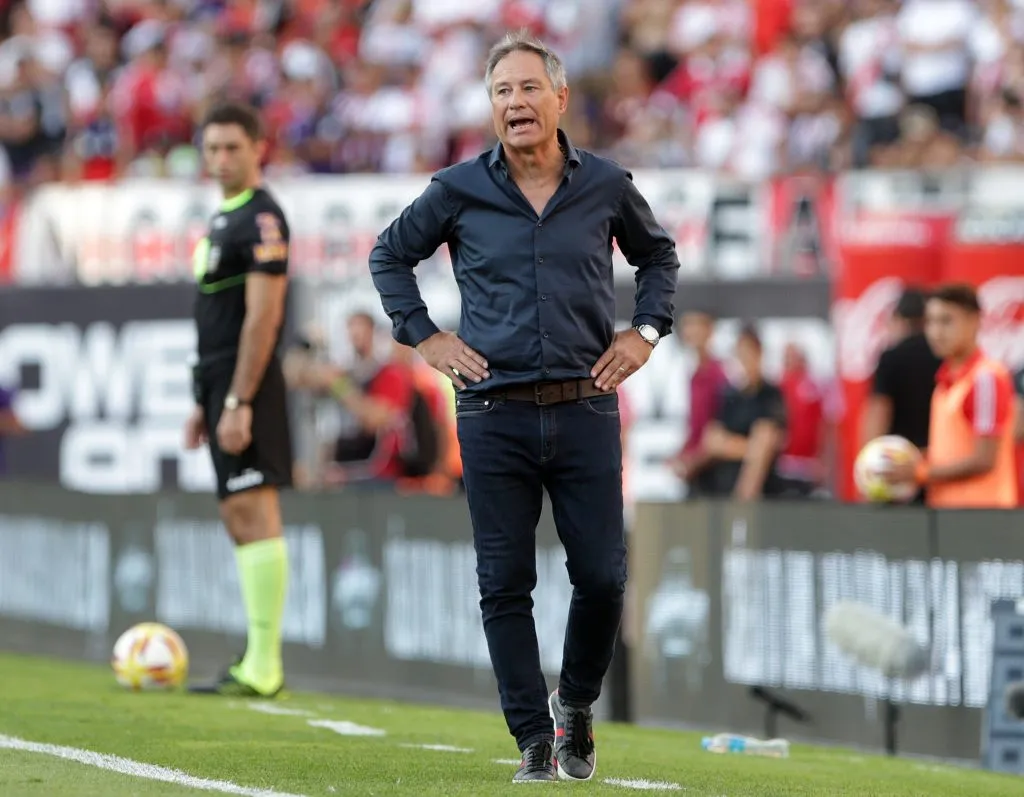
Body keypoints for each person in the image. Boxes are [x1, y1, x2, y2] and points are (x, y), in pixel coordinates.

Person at [368, 30, 680, 783]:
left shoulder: (605, 183)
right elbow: (388, 254)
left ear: (561, 97)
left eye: (528, 88)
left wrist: (644, 331)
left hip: (585, 405)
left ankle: (575, 703)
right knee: (504, 582)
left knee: (603, 575)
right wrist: (426, 337)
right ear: (490, 106)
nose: (515, 103)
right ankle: (534, 739)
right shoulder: (456, 188)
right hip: (490, 412)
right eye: (501, 91)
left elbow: (658, 256)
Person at [183, 101, 293, 698]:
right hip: (221, 383)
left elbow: (262, 316)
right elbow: (217, 319)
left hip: (246, 385)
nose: (222, 159)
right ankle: (256, 656)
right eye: (213, 148)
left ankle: (265, 663)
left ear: (258, 149)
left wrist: (238, 400)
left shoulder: (262, 218)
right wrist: (207, 400)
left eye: (233, 148)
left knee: (254, 508)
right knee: (236, 511)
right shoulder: (224, 217)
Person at [887, 284, 1017, 508]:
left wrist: (918, 472)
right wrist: (909, 460)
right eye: (930, 321)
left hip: (983, 517)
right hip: (947, 516)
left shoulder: (985, 378)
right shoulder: (946, 383)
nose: (936, 332)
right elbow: (952, 453)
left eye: (946, 321)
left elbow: (984, 459)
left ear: (974, 321)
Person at [700, 324, 788, 500]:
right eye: (741, 353)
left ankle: (742, 507)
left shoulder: (770, 394)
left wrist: (732, 445)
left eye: (750, 352)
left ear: (759, 353)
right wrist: (750, 447)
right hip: (723, 478)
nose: (746, 359)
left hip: (759, 485)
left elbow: (766, 443)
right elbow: (713, 441)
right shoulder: (729, 395)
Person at [861, 287, 941, 451]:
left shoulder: (891, 357)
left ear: (899, 319)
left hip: (900, 458)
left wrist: (870, 455)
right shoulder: (944, 355)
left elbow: (879, 411)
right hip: (940, 457)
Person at [670, 309, 728, 498]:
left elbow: (718, 427)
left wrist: (693, 461)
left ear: (709, 330)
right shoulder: (694, 374)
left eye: (696, 324)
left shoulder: (717, 374)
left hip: (713, 470)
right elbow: (696, 426)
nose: (690, 330)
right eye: (687, 324)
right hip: (696, 469)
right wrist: (681, 455)